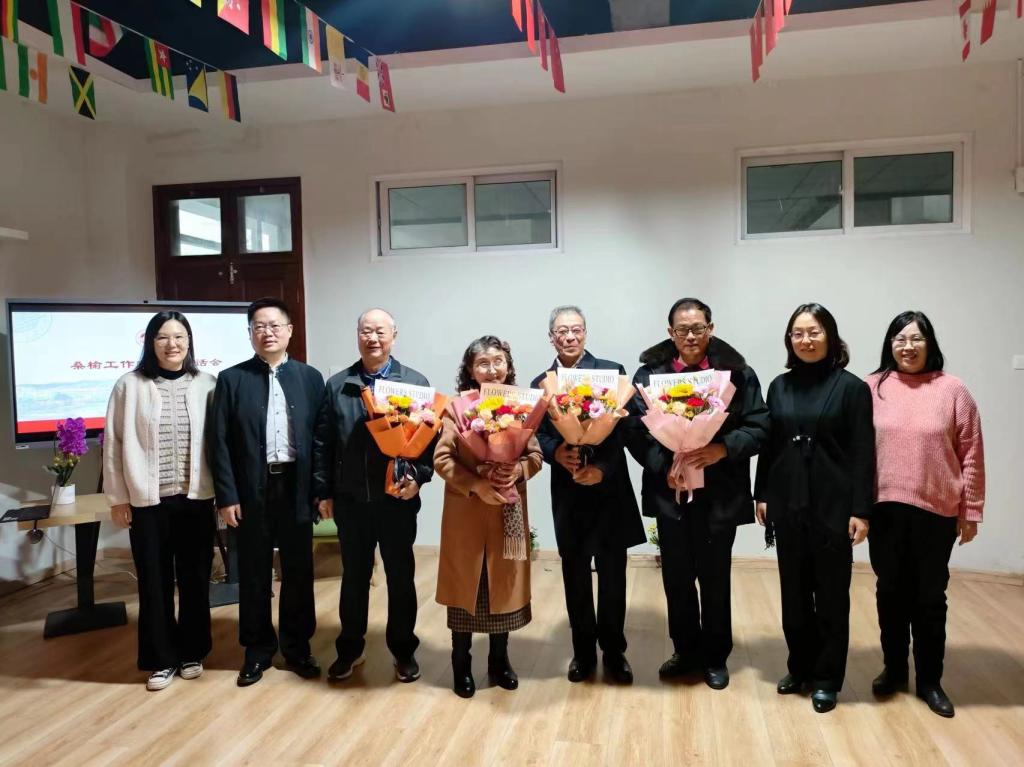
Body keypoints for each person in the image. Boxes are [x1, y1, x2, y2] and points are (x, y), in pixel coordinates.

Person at [626, 297, 769, 690]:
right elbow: (634, 431)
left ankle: (715, 655)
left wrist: (722, 449)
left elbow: (759, 425)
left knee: (714, 575)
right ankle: (685, 650)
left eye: (698, 328)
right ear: (670, 333)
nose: (690, 336)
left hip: (719, 492)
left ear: (711, 329)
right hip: (670, 492)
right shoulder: (650, 375)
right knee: (676, 575)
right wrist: (664, 466)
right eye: (682, 329)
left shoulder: (737, 373)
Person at [753, 303, 874, 714]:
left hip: (833, 507)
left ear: (831, 337)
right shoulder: (779, 386)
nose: (806, 340)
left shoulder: (852, 388)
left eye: (814, 332)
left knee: (832, 597)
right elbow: (769, 445)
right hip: (787, 503)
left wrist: (861, 510)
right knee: (794, 594)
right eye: (798, 333)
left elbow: (863, 453)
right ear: (789, 340)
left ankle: (826, 678)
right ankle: (799, 667)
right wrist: (762, 494)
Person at [866, 310, 984, 718]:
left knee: (930, 598)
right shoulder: (872, 388)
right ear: (890, 345)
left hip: (936, 511)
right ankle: (895, 670)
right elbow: (856, 450)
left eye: (916, 338)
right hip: (884, 509)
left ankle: (930, 680)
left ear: (929, 344)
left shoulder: (953, 390)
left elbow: (971, 453)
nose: (908, 346)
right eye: (900, 339)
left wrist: (970, 510)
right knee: (890, 592)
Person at [313, 309, 435, 684]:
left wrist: (419, 478)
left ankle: (404, 651)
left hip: (397, 500)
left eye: (380, 331)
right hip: (351, 501)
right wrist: (323, 491)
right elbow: (323, 443)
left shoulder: (414, 383)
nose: (373, 338)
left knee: (400, 578)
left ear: (394, 336)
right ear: (357, 336)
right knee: (354, 578)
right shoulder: (338, 385)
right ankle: (350, 649)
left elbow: (428, 443)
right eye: (366, 331)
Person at [209, 297, 325, 687]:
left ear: (289, 331)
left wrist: (320, 490)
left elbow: (321, 439)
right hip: (250, 489)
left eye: (275, 325)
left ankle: (297, 647)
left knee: (299, 570)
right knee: (254, 571)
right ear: (250, 334)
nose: (267, 332)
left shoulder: (309, 378)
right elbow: (220, 442)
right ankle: (257, 649)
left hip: (296, 486)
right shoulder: (231, 379)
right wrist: (227, 496)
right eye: (259, 326)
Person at [530, 306, 645, 684]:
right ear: (551, 337)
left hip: (609, 490)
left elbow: (627, 429)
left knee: (613, 574)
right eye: (561, 331)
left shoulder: (611, 374)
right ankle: (582, 652)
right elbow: (535, 434)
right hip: (569, 491)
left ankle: (614, 651)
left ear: (585, 333)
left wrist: (603, 468)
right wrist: (556, 452)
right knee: (574, 572)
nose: (569, 337)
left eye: (576, 330)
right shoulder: (541, 383)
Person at [104, 311, 217, 691]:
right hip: (147, 502)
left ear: (189, 342)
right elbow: (113, 444)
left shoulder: (207, 384)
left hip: (196, 498)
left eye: (179, 336)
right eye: (163, 337)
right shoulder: (129, 385)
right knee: (154, 581)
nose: (172, 344)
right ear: (151, 342)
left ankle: (193, 652)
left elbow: (219, 443)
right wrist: (118, 498)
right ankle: (161, 659)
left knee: (196, 578)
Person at [434, 336, 544, 698]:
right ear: (470, 370)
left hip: (506, 512)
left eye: (498, 361)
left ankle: (500, 660)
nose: (492, 369)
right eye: (483, 363)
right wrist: (476, 484)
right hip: (467, 512)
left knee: (502, 588)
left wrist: (518, 470)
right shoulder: (456, 409)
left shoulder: (522, 406)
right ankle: (460, 662)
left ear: (508, 367)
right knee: (467, 587)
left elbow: (535, 457)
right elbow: (442, 459)